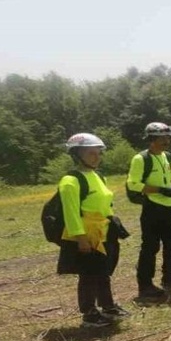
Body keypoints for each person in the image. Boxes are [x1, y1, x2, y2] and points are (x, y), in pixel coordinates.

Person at [57, 133, 127, 326]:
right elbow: (71, 213)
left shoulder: (98, 176)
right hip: (86, 235)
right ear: (77, 155)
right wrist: (81, 238)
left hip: (103, 231)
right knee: (88, 274)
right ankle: (89, 313)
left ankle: (108, 306)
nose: (97, 157)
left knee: (103, 271)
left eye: (98, 153)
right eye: (91, 153)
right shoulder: (71, 181)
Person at [128, 122, 171, 299]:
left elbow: (169, 176)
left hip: (170, 207)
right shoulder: (141, 159)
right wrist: (160, 190)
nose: (167, 141)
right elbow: (133, 184)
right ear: (151, 139)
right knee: (150, 247)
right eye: (162, 138)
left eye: (168, 137)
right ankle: (145, 285)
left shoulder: (166, 156)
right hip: (152, 208)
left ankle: (169, 276)